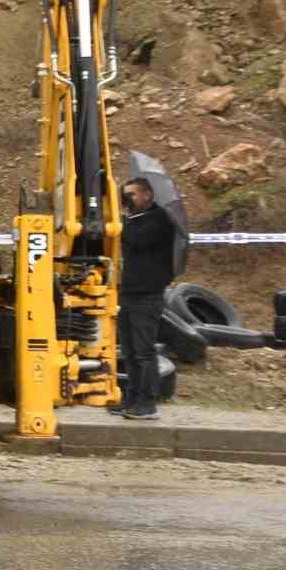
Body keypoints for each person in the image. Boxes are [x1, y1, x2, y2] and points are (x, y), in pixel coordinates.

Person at [114, 176, 176, 420]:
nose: (129, 199)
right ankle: (131, 398)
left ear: (148, 195)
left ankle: (147, 403)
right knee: (129, 350)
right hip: (130, 291)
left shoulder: (160, 219)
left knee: (143, 351)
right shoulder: (136, 219)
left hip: (148, 294)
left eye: (133, 194)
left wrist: (122, 221)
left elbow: (138, 240)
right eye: (126, 195)